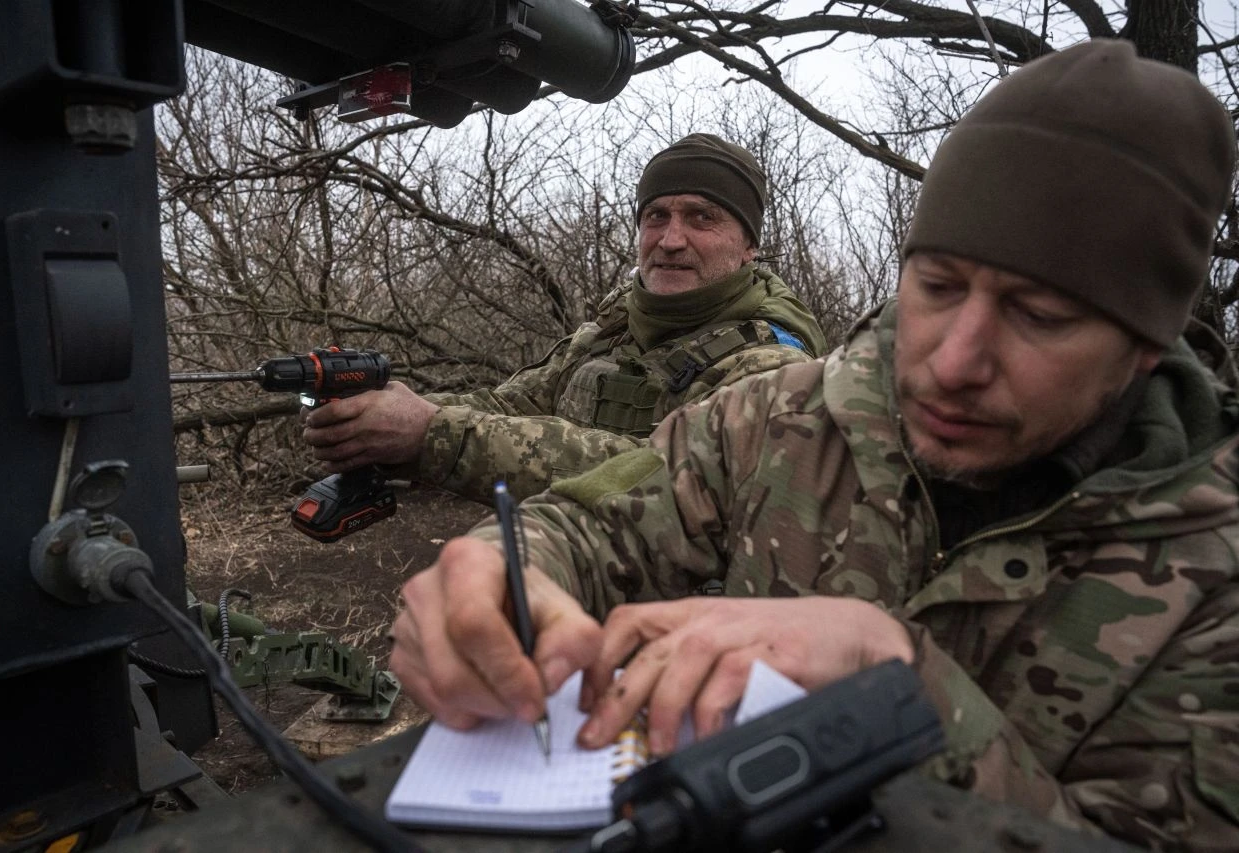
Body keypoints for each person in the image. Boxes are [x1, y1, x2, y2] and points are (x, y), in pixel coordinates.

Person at [386, 40, 1239, 850]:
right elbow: (594, 523)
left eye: (1040, 317)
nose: (953, 361)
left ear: (1143, 347)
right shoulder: (784, 415)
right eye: (937, 287)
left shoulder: (1214, 574)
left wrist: (898, 677)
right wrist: (500, 572)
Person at [301, 134, 826, 503]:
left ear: (749, 245)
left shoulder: (775, 367)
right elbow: (513, 402)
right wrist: (386, 413)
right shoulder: (614, 328)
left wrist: (434, 435)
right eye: (655, 216)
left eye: (702, 217)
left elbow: (665, 477)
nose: (669, 239)